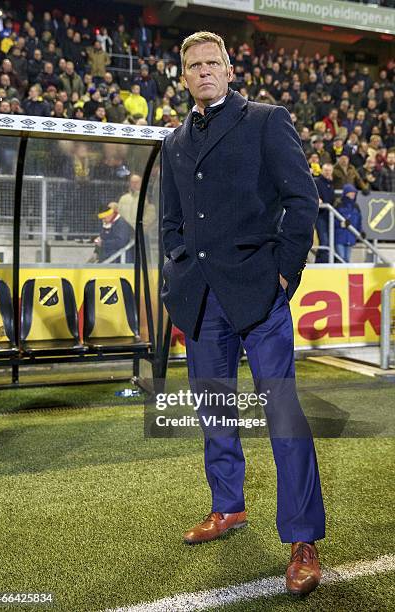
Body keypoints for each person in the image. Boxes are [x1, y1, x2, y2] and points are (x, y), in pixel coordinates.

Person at [161, 31, 325, 597]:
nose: (204, 71)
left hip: (260, 295)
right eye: (193, 65)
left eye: (213, 63)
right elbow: (171, 221)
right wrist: (178, 269)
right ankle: (228, 508)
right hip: (202, 299)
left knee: (284, 414)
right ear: (183, 76)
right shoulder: (175, 139)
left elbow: (301, 200)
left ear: (229, 70)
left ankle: (303, 539)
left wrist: (285, 273)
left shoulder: (266, 119)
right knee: (214, 414)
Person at [334, 184, 364, 263]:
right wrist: (341, 224)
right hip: (339, 236)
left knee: (347, 259)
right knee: (341, 258)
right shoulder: (339, 205)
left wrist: (360, 232)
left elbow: (359, 221)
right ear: (346, 193)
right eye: (351, 192)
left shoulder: (356, 206)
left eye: (354, 192)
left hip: (351, 237)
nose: (353, 194)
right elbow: (332, 219)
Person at [314, 163, 335, 263]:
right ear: (322, 171)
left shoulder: (331, 184)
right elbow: (312, 193)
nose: (327, 172)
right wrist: (316, 199)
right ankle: (322, 262)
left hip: (328, 216)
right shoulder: (316, 181)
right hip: (320, 215)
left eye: (329, 170)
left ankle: (319, 261)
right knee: (324, 240)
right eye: (326, 170)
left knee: (327, 241)